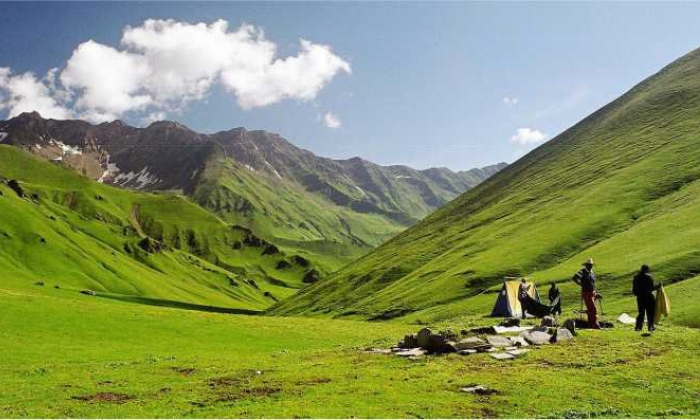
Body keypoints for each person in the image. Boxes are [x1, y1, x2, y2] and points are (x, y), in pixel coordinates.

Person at [572, 258, 601, 329]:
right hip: (586, 292)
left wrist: (596, 293)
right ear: (586, 265)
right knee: (593, 308)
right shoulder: (583, 271)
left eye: (591, 265)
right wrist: (580, 284)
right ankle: (594, 324)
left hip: (592, 292)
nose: (590, 266)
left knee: (591, 309)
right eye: (589, 265)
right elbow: (574, 278)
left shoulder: (592, 272)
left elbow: (593, 284)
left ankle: (590, 324)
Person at [632, 264, 661, 332]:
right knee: (650, 313)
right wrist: (658, 286)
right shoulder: (649, 277)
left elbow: (634, 290)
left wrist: (638, 294)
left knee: (641, 313)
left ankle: (638, 327)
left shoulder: (636, 277)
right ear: (647, 269)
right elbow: (651, 288)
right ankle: (650, 326)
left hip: (640, 298)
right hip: (648, 297)